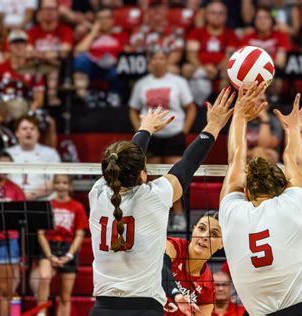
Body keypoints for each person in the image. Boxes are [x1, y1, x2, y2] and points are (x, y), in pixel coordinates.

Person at [88, 88, 234, 315]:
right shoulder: (153, 197)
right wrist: (213, 125)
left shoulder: (96, 193)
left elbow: (126, 162)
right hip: (143, 308)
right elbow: (187, 164)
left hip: (102, 308)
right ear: (142, 174)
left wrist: (144, 128)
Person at [219, 87, 302, 315]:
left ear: (247, 192)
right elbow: (293, 161)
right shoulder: (292, 205)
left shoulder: (232, 212)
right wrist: (293, 129)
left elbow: (235, 160)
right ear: (281, 189)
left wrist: (239, 115)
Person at [129, 49, 196, 231]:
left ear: (167, 61)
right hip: (152, 136)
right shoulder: (142, 84)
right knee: (151, 177)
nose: (158, 62)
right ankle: (157, 214)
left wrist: (184, 131)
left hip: (174, 135)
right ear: (149, 63)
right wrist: (140, 129)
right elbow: (133, 109)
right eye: (154, 59)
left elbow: (191, 108)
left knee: (175, 175)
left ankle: (179, 215)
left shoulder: (178, 82)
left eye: (161, 58)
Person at [33, 174, 88, 316]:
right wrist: (50, 256)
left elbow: (80, 234)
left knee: (65, 297)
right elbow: (40, 233)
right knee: (44, 277)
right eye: (57, 182)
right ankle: (41, 312)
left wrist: (69, 255)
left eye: (64, 182)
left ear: (69, 186)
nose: (61, 185)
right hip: (49, 246)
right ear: (53, 185)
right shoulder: (47, 205)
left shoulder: (77, 207)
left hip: (68, 247)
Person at [0, 150, 24, 316]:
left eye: (8, 165)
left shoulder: (15, 190)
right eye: (1, 164)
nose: (4, 168)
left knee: (5, 290)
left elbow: (18, 218)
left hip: (8, 241)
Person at [164, 212, 223, 315]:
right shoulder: (173, 246)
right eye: (201, 228)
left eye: (214, 234)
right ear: (193, 229)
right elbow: (160, 267)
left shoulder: (208, 287)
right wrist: (176, 294)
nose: (205, 236)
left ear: (222, 243)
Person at [183, 1, 238, 105]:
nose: (217, 16)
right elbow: (191, 55)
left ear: (226, 16)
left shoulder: (231, 34)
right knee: (186, 68)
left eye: (220, 13)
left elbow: (230, 56)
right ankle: (193, 105)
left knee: (228, 72)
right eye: (213, 13)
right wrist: (203, 69)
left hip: (220, 72)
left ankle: (222, 105)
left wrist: (216, 69)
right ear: (206, 15)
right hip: (200, 71)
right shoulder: (196, 32)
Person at [73, 7, 129, 98]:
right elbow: (77, 52)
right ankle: (81, 97)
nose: (103, 21)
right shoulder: (89, 37)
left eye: (106, 18)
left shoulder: (121, 36)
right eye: (100, 18)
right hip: (94, 69)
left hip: (113, 69)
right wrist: (93, 33)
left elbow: (128, 54)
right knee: (81, 58)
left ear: (113, 20)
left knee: (121, 69)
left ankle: (117, 97)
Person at [27, 0, 74, 106]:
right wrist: (46, 55)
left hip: (59, 67)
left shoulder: (66, 30)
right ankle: (35, 100)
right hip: (36, 65)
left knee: (52, 63)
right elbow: (29, 50)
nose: (49, 12)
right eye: (46, 9)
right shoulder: (32, 31)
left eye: (52, 9)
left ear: (58, 12)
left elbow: (66, 49)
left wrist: (44, 55)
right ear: (40, 12)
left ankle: (51, 97)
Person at [6, 116, 61, 201]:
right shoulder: (7, 154)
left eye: (32, 128)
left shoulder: (50, 153)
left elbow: (56, 180)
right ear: (17, 133)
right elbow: (1, 181)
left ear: (38, 133)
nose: (28, 131)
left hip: (43, 202)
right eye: (24, 128)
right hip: (12, 201)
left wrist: (31, 194)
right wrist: (19, 195)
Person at [130, 1, 184, 74]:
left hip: (167, 68)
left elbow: (176, 54)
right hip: (145, 70)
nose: (156, 10)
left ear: (166, 9)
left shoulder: (176, 31)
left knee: (173, 69)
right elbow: (135, 54)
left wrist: (159, 68)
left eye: (160, 6)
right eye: (153, 7)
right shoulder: (138, 31)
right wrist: (151, 67)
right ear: (147, 10)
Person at [246, 93, 282, 164]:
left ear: (267, 104)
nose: (260, 104)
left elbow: (265, 145)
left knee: (268, 153)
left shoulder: (275, 121)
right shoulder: (242, 119)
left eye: (262, 101)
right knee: (257, 152)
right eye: (257, 100)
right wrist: (254, 152)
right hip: (245, 155)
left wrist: (264, 119)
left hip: (268, 156)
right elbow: (236, 148)